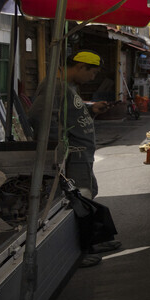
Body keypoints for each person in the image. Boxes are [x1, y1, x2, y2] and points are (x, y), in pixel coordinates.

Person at [29, 51, 115, 266]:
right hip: (71, 158)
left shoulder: (67, 88)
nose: (93, 78)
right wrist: (58, 149)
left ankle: (90, 243)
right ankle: (78, 252)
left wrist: (90, 109)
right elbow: (39, 117)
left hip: (80, 156)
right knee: (77, 204)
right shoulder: (54, 86)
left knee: (87, 197)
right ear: (80, 66)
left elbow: (67, 113)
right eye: (92, 73)